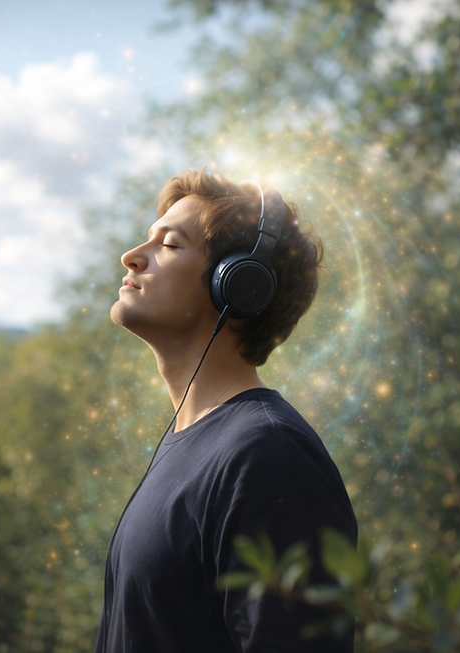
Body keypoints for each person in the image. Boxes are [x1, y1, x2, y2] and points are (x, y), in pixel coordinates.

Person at [97, 168, 357, 652]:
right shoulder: (196, 444)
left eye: (169, 244)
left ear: (238, 283)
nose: (132, 255)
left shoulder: (268, 456)